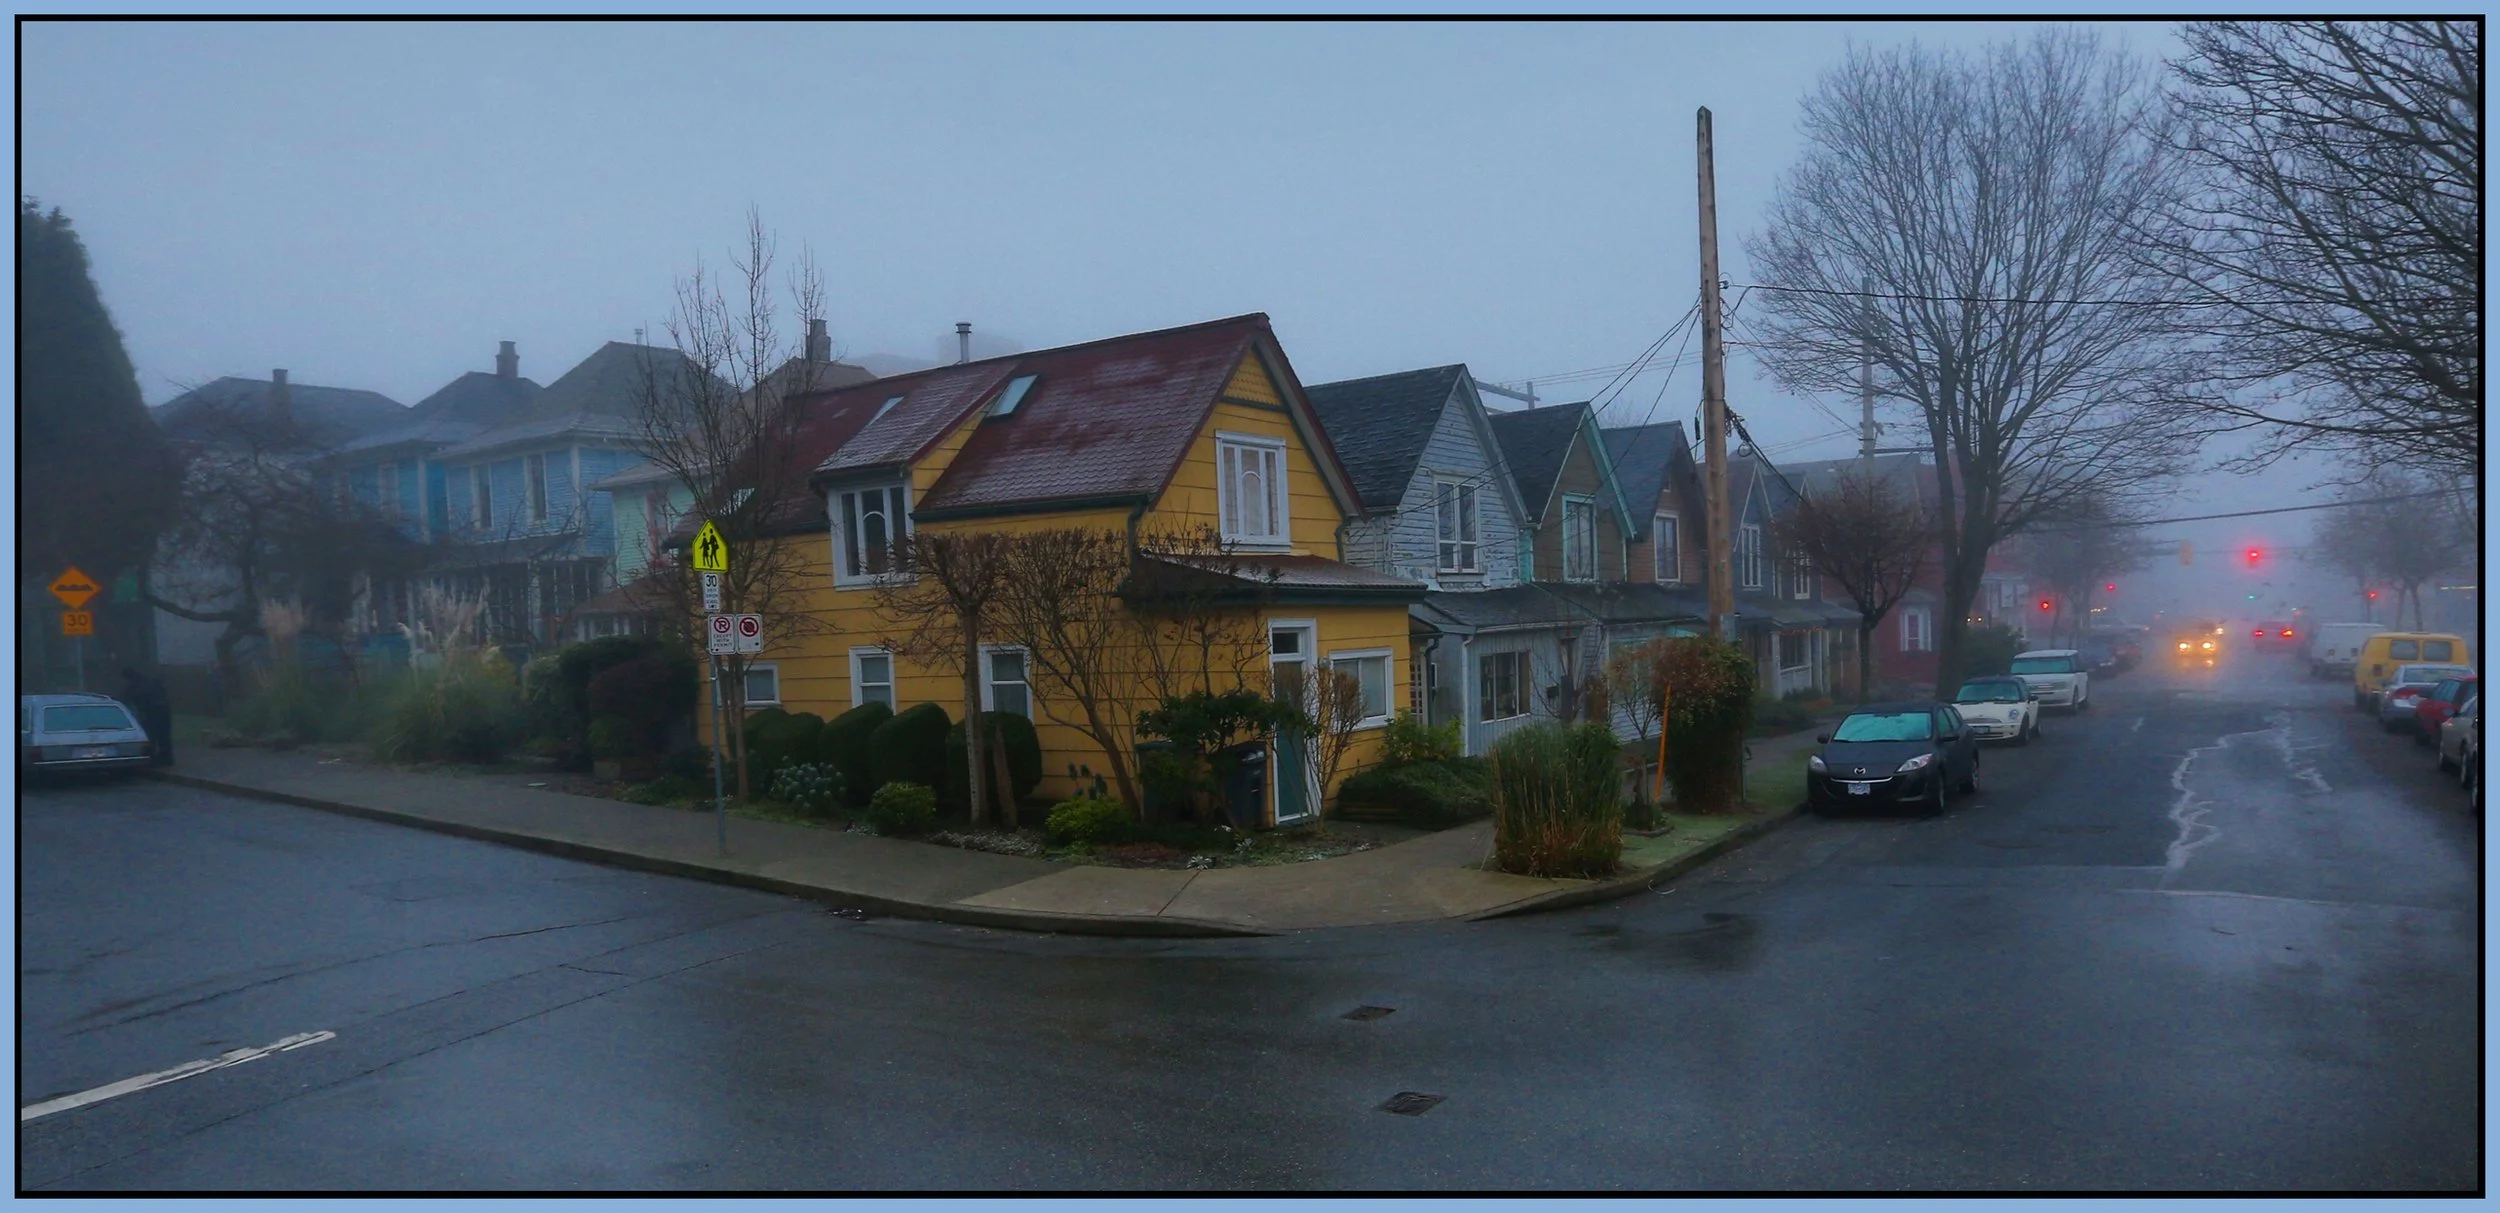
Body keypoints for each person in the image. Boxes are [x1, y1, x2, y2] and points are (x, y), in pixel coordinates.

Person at [120, 666, 173, 766]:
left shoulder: (133, 685)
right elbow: (163, 691)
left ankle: (150, 757)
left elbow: (125, 700)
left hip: (150, 710)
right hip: (164, 709)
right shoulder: (150, 680)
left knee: (150, 734)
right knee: (164, 735)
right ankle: (167, 757)